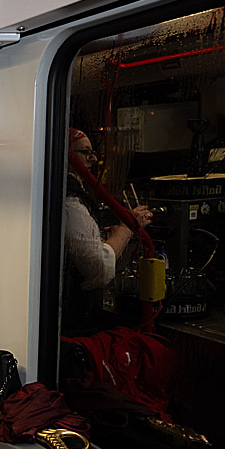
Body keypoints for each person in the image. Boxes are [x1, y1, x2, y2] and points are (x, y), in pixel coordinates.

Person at [63, 128, 152, 333]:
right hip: (72, 324)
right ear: (66, 155)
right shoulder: (70, 199)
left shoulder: (63, 190)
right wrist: (128, 227)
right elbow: (97, 267)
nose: (93, 159)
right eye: (85, 152)